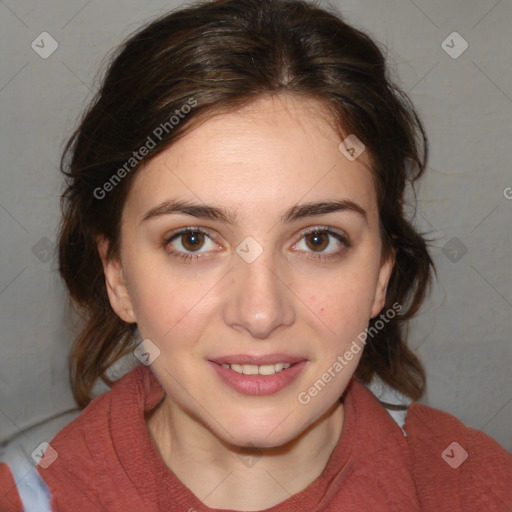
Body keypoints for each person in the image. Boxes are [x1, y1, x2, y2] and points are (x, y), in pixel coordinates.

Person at [1, 0, 510, 510]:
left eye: (317, 240)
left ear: (382, 273)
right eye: (193, 240)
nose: (261, 313)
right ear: (118, 276)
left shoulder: (480, 488)